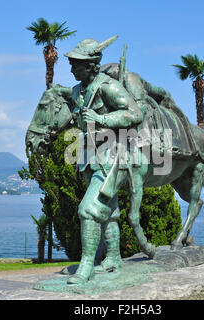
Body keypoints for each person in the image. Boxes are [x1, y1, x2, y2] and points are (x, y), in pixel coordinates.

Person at [64, 36, 143, 284]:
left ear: (92, 65)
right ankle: (114, 258)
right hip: (89, 156)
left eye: (77, 64)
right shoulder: (78, 90)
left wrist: (103, 120)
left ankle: (86, 266)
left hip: (112, 154)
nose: (72, 68)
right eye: (72, 63)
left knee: (88, 210)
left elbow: (135, 114)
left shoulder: (108, 86)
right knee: (108, 212)